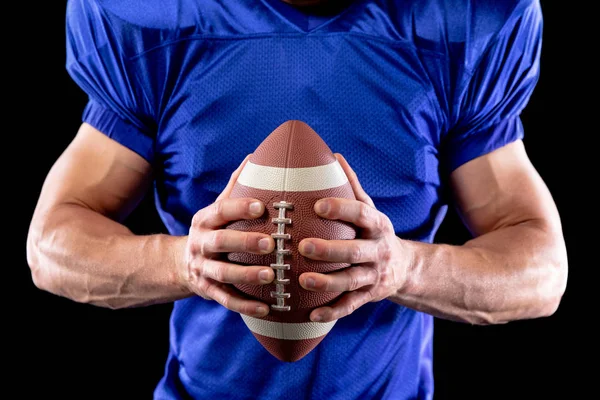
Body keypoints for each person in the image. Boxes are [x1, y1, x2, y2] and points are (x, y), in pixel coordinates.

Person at [26, 0, 567, 398]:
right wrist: (183, 263)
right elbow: (53, 243)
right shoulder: (160, 22)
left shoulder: (454, 25)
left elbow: (541, 270)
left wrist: (404, 268)